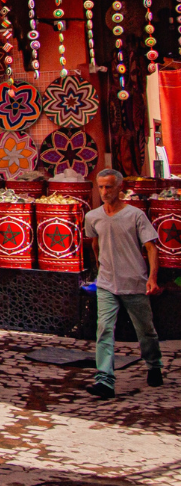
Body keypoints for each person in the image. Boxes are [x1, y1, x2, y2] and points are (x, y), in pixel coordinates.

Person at [82, 169, 164, 398]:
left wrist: (152, 278)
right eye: (100, 187)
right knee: (104, 329)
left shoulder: (135, 215)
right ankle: (104, 379)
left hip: (134, 281)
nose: (104, 192)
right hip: (107, 282)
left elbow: (151, 248)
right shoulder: (93, 216)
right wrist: (99, 271)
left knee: (145, 330)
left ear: (119, 188)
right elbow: (95, 244)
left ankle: (154, 364)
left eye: (108, 187)